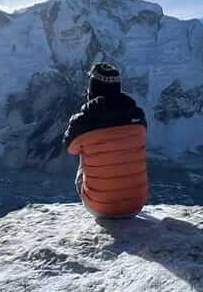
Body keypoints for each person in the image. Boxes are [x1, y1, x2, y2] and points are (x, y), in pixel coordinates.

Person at [63, 62, 148, 218]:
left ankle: (103, 196)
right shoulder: (138, 114)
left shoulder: (83, 121)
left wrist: (78, 119)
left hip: (101, 208)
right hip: (136, 205)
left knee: (84, 146)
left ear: (92, 89)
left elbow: (69, 148)